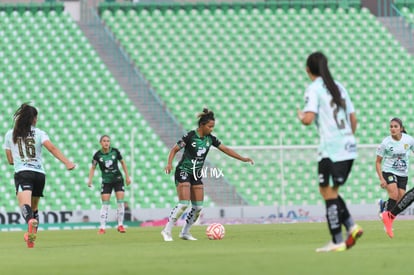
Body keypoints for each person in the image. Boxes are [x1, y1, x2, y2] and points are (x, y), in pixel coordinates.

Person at [297, 52, 363, 252]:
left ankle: (337, 240)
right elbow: (353, 120)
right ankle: (351, 226)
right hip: (348, 147)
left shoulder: (314, 88)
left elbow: (308, 119)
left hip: (331, 149)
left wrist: (300, 115)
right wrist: (346, 139)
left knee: (326, 191)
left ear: (308, 70)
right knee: (331, 191)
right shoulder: (339, 87)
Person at [161, 108, 254, 241]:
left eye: (213, 127)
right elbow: (174, 149)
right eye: (210, 126)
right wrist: (169, 164)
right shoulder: (190, 136)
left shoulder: (210, 139)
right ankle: (167, 231)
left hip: (196, 174)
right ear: (202, 125)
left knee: (198, 207)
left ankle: (185, 232)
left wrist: (243, 158)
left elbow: (226, 149)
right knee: (183, 204)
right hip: (183, 171)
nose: (212, 129)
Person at [3, 103, 76, 248]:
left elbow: (10, 160)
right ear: (33, 119)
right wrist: (67, 162)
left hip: (23, 173)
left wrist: (19, 159)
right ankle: (31, 238)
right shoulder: (40, 133)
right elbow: (52, 148)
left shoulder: (10, 134)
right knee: (34, 208)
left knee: (25, 206)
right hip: (39, 174)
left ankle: (29, 221)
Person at [87, 135, 131, 234]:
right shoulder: (97, 155)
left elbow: (123, 163)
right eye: (104, 141)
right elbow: (93, 167)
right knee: (105, 204)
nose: (106, 143)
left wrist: (127, 177)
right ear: (100, 143)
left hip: (118, 179)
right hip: (106, 181)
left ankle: (120, 225)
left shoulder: (115, 151)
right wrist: (90, 180)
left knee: (120, 202)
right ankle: (102, 227)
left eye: (108, 141)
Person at [376, 118, 414, 217]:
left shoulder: (409, 140)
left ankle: (383, 204)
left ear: (401, 128)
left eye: (395, 126)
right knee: (394, 194)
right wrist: (381, 179)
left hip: (403, 173)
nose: (393, 129)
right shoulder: (385, 143)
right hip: (389, 171)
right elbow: (378, 162)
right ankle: (386, 217)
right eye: (391, 127)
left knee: (401, 200)